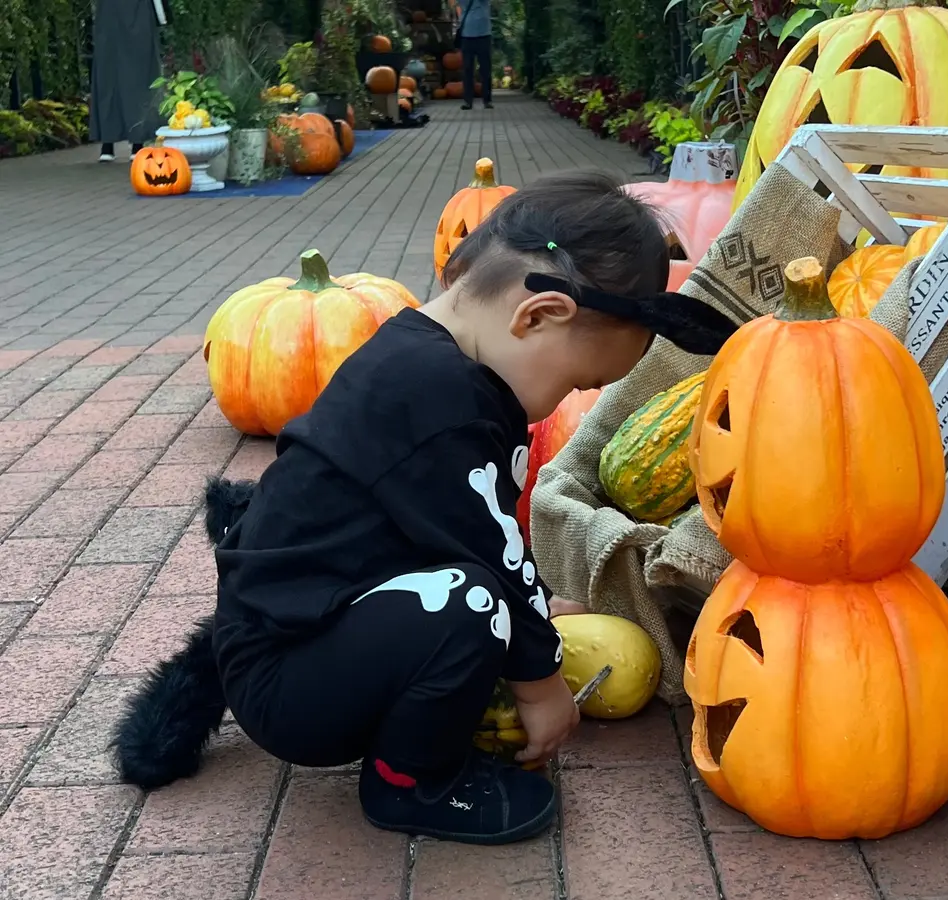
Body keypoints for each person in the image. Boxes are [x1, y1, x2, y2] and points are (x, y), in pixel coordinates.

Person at [111, 171, 740, 846]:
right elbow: (487, 550)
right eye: (575, 383)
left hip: (309, 628)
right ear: (537, 317)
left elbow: (466, 525)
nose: (564, 404)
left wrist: (530, 611)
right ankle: (412, 781)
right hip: (293, 686)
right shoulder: (442, 399)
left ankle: (418, 716)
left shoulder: (427, 358)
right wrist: (540, 681)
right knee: (471, 602)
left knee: (487, 597)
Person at [90, 0, 167, 161]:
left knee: (133, 73)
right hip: (113, 12)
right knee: (110, 73)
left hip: (127, 10)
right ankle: (111, 142)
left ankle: (133, 141)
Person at [458, 0, 493, 110]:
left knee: (485, 69)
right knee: (468, 69)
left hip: (484, 34)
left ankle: (487, 100)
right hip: (467, 34)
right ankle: (468, 101)